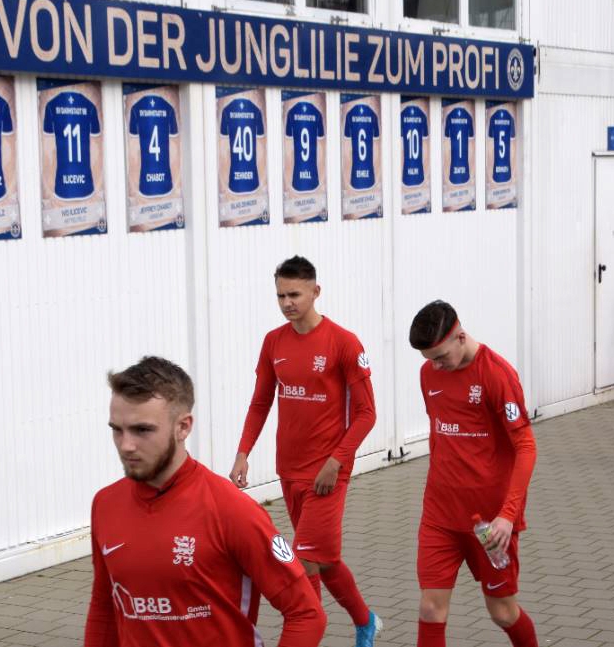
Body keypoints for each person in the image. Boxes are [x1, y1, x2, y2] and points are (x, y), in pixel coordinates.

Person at [85, 356, 325, 646]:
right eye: (117, 429)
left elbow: (306, 614)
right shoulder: (105, 504)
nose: (126, 445)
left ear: (183, 427)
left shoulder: (232, 510)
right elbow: (105, 606)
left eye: (142, 430)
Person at [229, 256, 382, 645]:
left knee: (304, 561)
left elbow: (367, 414)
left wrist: (336, 461)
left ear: (316, 291)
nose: (287, 303)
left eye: (294, 294)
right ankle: (365, 621)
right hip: (290, 470)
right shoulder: (273, 342)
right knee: (324, 560)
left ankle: (307, 627)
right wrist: (243, 452)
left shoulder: (344, 342)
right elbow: (260, 402)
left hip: (327, 473)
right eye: (281, 295)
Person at [408, 301, 539, 647]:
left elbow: (526, 447)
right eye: (429, 359)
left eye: (440, 357)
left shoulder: (497, 374)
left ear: (461, 337)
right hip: (440, 515)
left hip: (490, 523)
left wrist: (508, 516)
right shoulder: (429, 373)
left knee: (502, 612)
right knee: (430, 608)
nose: (436, 366)